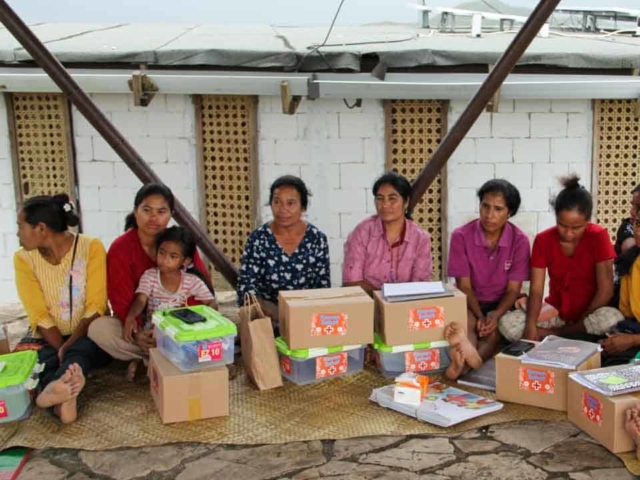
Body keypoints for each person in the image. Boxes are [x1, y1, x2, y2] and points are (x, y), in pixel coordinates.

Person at [88, 183, 210, 371]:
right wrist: (139, 332)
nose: (154, 217)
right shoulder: (120, 248)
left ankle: (151, 360)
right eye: (147, 210)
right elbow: (122, 301)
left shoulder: (181, 243)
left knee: (218, 324)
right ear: (135, 212)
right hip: (144, 326)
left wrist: (178, 326)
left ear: (170, 214)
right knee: (98, 329)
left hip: (182, 324)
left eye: (161, 211)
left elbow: (202, 288)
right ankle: (168, 357)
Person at [14, 194, 110, 423]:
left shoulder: (91, 247)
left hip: (87, 331)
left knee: (81, 351)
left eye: (20, 226)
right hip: (47, 335)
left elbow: (95, 306)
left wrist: (67, 345)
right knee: (42, 360)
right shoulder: (23, 259)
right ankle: (63, 401)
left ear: (41, 228)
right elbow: (38, 315)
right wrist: (60, 347)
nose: (17, 233)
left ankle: (53, 395)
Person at [499, 175, 623, 342]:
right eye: (562, 225)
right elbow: (536, 291)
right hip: (556, 312)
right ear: (556, 217)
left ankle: (556, 335)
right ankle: (567, 336)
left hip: (588, 315)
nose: (568, 233)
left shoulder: (598, 236)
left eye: (576, 228)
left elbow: (605, 290)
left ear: (587, 221)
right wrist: (530, 327)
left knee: (611, 318)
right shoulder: (543, 240)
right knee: (508, 324)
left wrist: (582, 320)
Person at [445, 179, 530, 380]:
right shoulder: (461, 236)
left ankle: (460, 368)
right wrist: (478, 314)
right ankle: (467, 358)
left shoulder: (519, 241)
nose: (489, 215)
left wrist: (495, 315)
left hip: (501, 304)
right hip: (469, 301)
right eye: (485, 206)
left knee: (492, 336)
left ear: (509, 212)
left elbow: (512, 290)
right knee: (468, 329)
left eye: (498, 209)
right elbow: (464, 286)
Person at [123, 226, 218, 379]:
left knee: (196, 344)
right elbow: (140, 299)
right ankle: (150, 363)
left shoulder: (190, 281)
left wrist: (203, 324)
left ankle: (147, 365)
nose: (165, 260)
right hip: (155, 331)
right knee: (155, 343)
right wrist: (130, 317)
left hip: (179, 332)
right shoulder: (150, 276)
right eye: (162, 253)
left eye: (173, 256)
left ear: (185, 261)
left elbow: (212, 303)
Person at [236, 175, 330, 326]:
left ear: (303, 207)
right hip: (265, 318)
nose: (283, 209)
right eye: (277, 202)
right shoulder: (258, 239)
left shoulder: (317, 239)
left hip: (305, 318)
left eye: (290, 203)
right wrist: (271, 313)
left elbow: (322, 287)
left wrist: (301, 316)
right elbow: (246, 287)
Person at [342, 171, 432, 295]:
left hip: (406, 306)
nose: (385, 204)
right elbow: (351, 282)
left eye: (392, 198)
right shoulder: (362, 233)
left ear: (406, 202)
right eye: (380, 198)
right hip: (368, 304)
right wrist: (384, 297)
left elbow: (420, 285)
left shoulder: (420, 238)